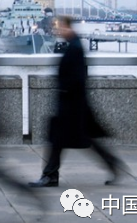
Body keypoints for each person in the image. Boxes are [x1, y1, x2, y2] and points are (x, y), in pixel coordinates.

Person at [29, 16, 124, 187]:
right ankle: (112, 163)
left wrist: (64, 91)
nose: (58, 31)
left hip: (71, 105)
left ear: (68, 28)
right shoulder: (74, 45)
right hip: (74, 104)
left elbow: (77, 78)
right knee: (82, 140)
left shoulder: (74, 48)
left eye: (60, 28)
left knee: (59, 140)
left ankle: (50, 175)